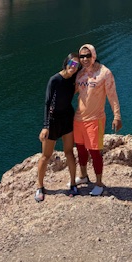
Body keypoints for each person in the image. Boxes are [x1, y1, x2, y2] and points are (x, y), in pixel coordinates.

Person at [74, 43, 122, 196]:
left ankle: (99, 183)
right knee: (80, 150)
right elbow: (70, 91)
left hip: (95, 119)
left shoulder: (104, 73)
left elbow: (112, 95)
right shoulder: (79, 74)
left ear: (93, 55)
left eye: (87, 55)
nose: (84, 59)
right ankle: (83, 176)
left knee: (95, 152)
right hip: (78, 119)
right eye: (81, 56)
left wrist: (117, 115)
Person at [35, 52, 80, 202]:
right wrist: (45, 126)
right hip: (53, 120)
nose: (74, 67)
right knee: (46, 156)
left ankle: (73, 183)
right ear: (66, 63)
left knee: (69, 153)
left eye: (76, 65)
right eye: (71, 64)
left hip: (67, 118)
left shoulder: (74, 78)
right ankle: (40, 186)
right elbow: (47, 103)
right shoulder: (54, 80)